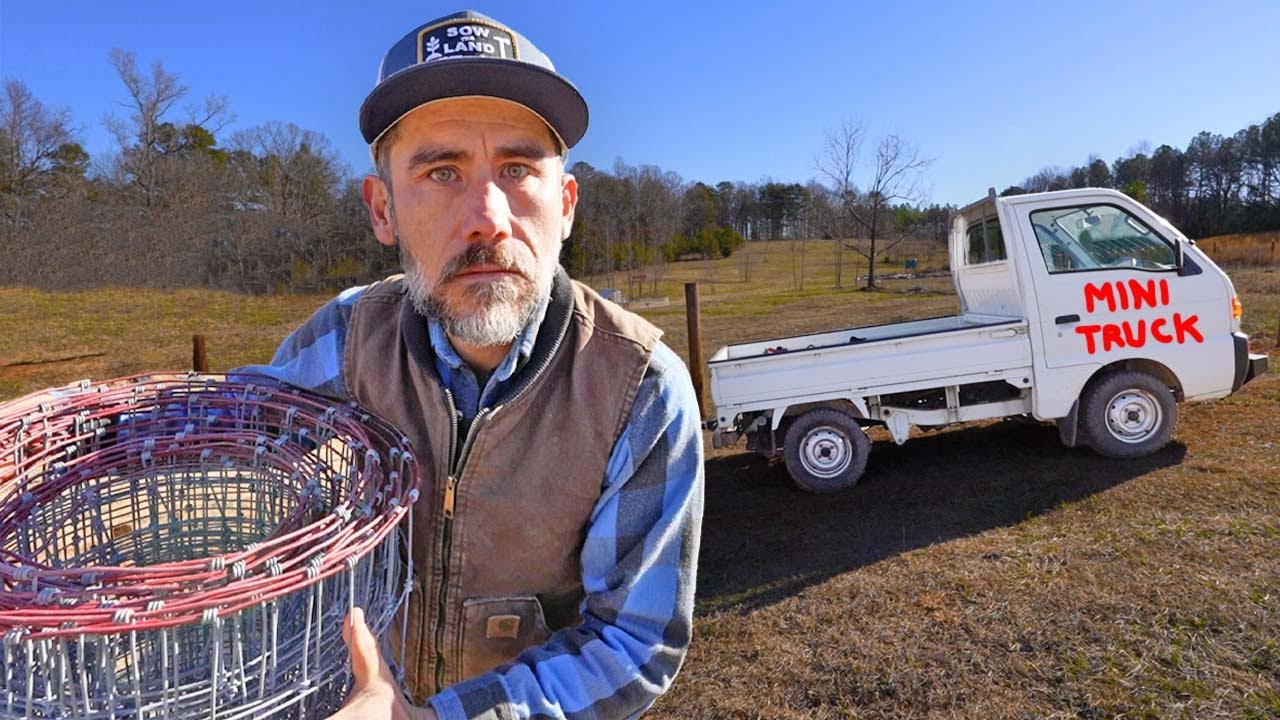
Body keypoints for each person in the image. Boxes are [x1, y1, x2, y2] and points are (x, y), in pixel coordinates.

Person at [238, 10, 705, 720]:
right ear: (383, 209)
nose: (487, 217)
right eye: (442, 171)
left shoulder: (640, 392)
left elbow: (631, 643)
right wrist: (84, 435)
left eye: (517, 169)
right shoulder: (348, 337)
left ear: (567, 205)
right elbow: (219, 437)